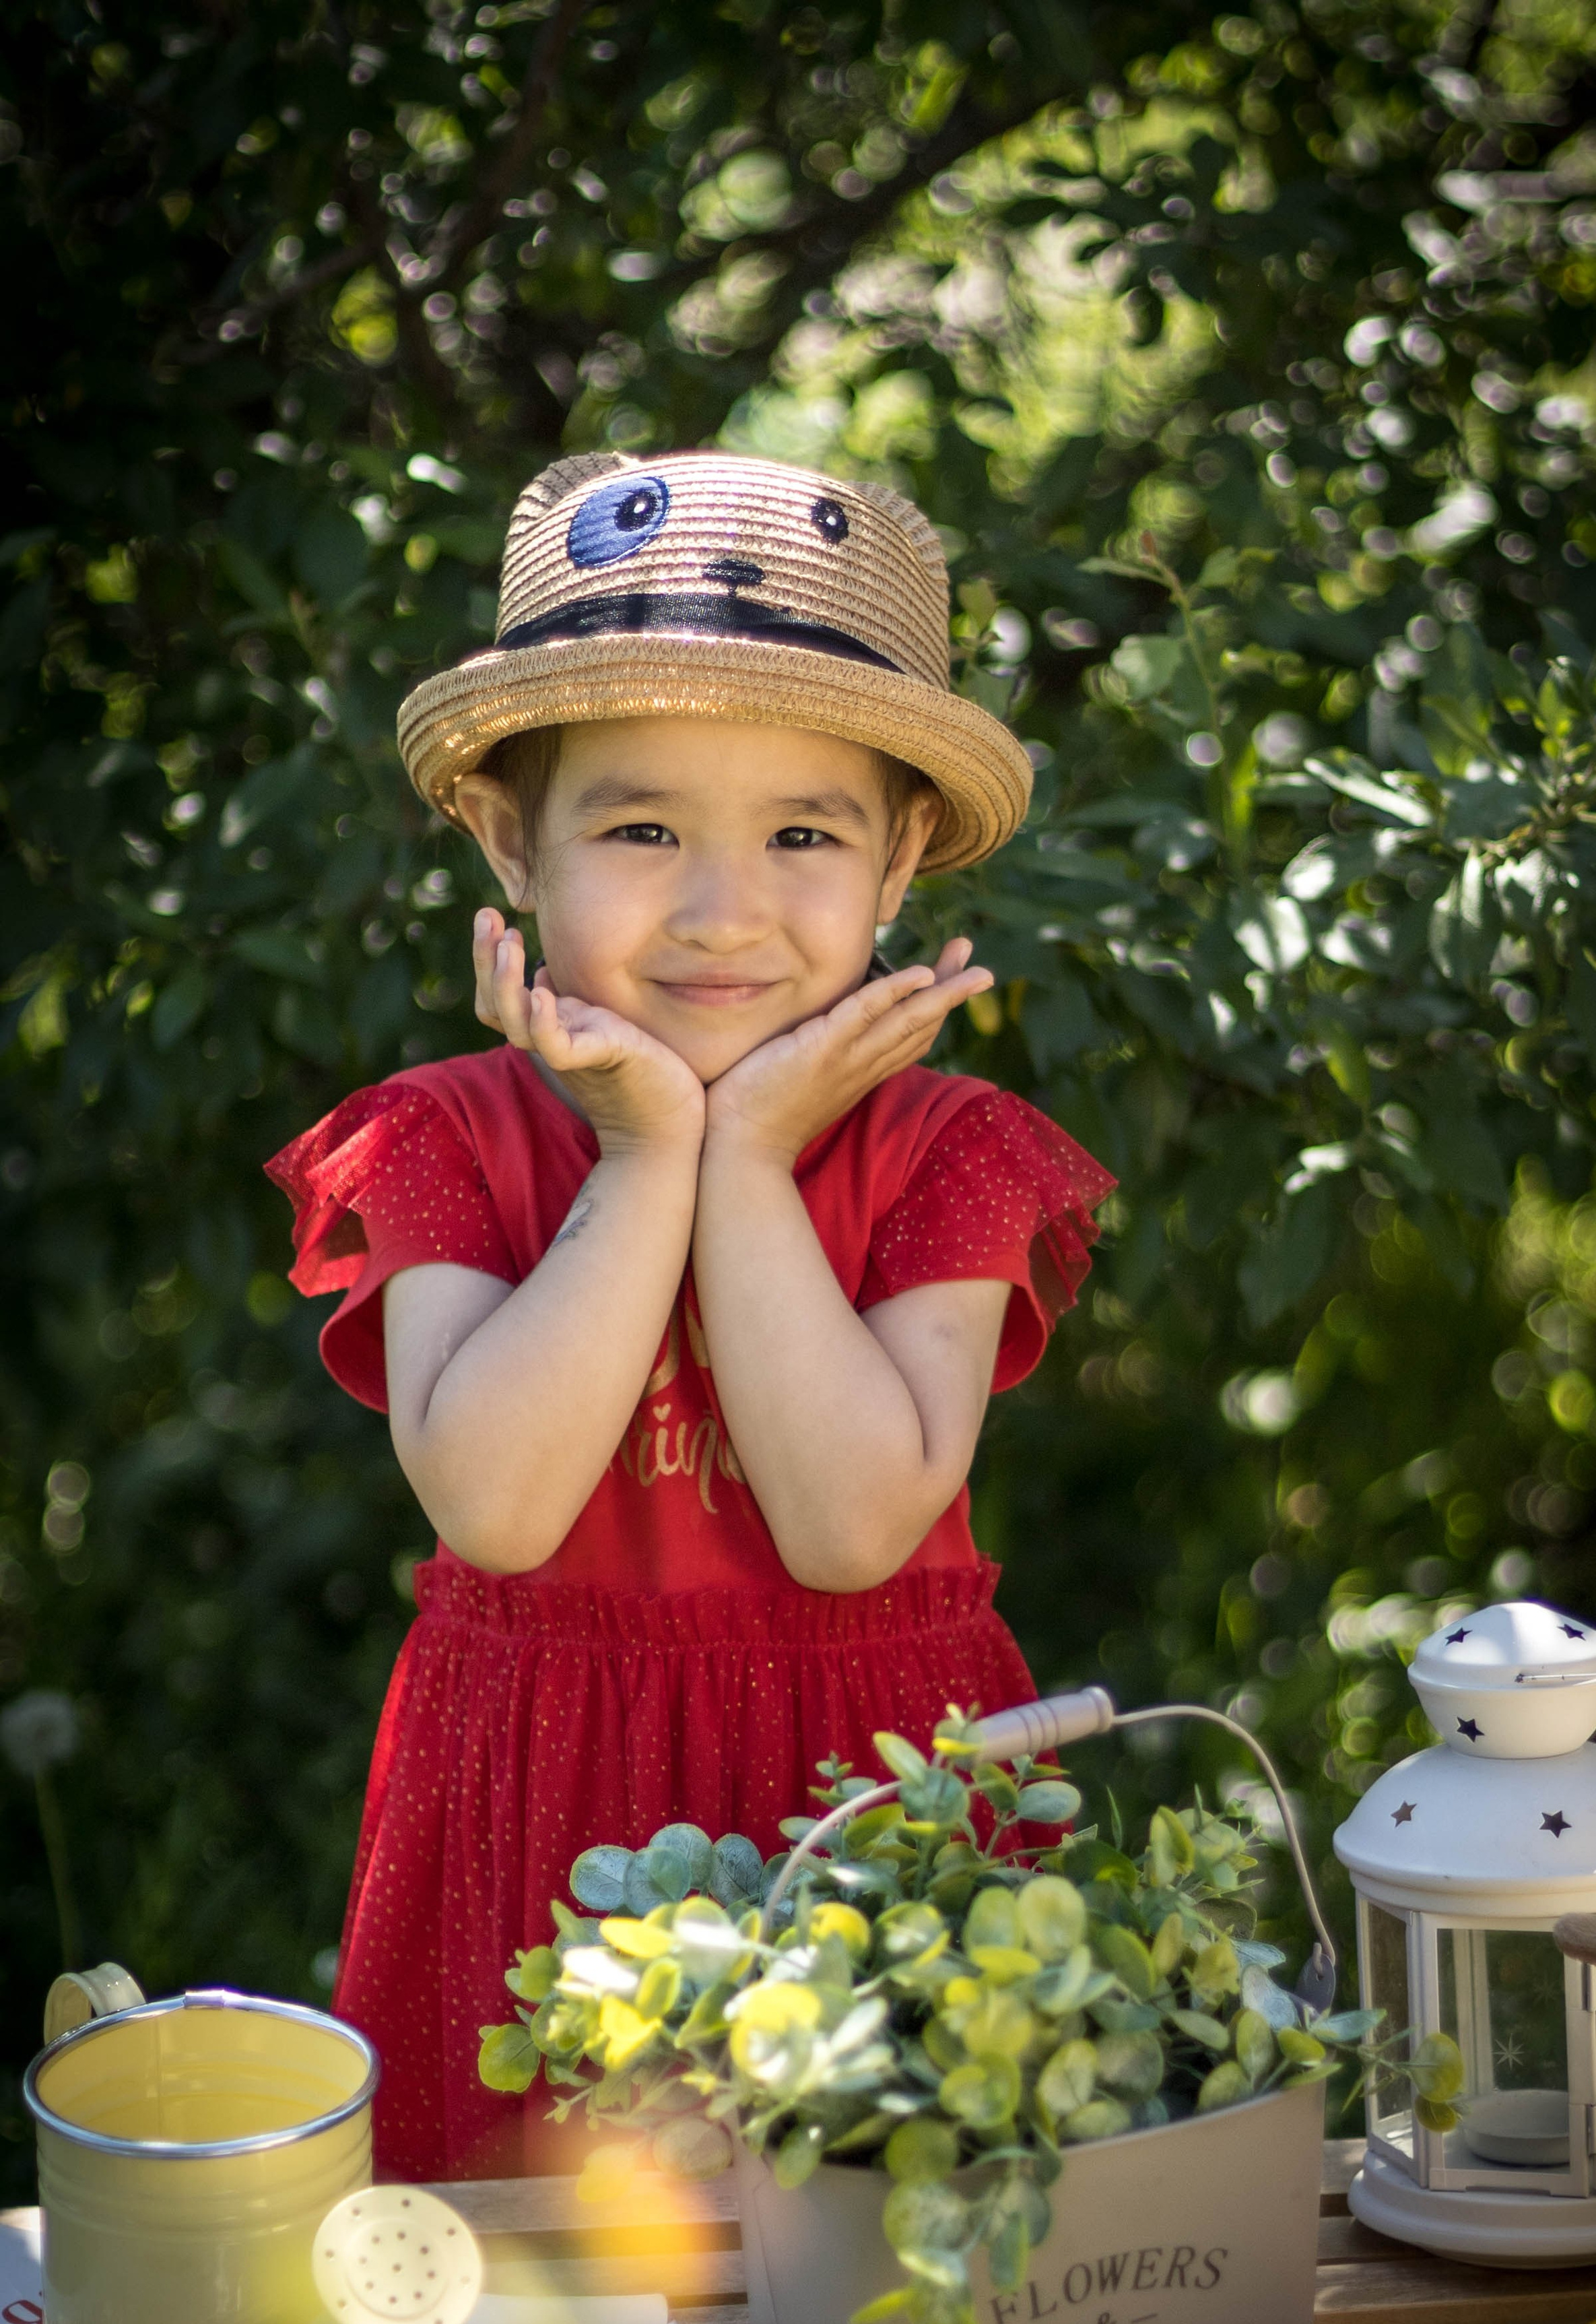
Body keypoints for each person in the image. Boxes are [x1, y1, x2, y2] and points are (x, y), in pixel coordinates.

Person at [268, 449, 1115, 2180]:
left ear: (897, 875)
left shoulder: (952, 1157)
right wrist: (651, 1149)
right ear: (514, 842)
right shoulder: (443, 1141)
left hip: (866, 1807)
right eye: (641, 828)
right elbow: (496, 1507)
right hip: (539, 1826)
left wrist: (749, 1168)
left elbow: (850, 1527)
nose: (725, 910)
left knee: (893, 2306)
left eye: (803, 835)